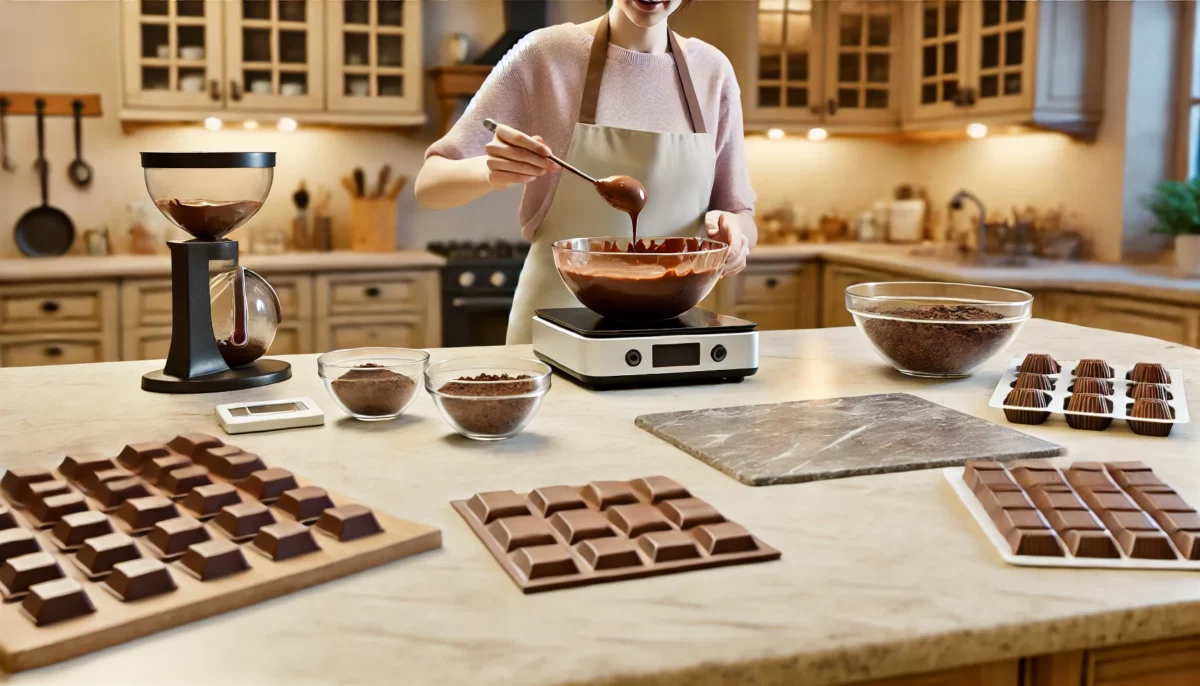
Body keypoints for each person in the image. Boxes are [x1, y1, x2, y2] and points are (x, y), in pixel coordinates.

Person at [415, 0, 757, 344]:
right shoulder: (545, 55)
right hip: (554, 329)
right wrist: (489, 170)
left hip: (675, 336)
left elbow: (740, 212)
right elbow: (430, 183)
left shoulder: (713, 72)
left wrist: (736, 233)